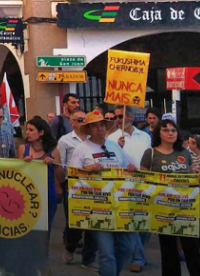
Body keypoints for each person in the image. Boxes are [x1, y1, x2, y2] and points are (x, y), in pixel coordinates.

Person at [68, 110, 138, 276]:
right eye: (94, 126)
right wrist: (87, 169)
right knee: (106, 253)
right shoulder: (81, 149)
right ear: (89, 129)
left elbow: (127, 167)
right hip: (97, 207)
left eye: (101, 125)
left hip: (120, 205)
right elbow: (71, 175)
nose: (99, 129)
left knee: (127, 248)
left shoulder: (114, 146)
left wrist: (130, 168)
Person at [139, 119, 200, 276]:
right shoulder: (151, 153)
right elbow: (142, 180)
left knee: (192, 250)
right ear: (158, 133)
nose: (170, 133)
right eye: (166, 130)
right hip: (163, 210)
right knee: (169, 252)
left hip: (186, 209)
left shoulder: (184, 153)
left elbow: (191, 175)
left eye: (173, 130)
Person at [107, 107, 152, 273]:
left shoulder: (145, 136)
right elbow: (110, 160)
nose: (118, 119)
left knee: (145, 222)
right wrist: (117, 147)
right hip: (124, 184)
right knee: (132, 221)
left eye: (121, 116)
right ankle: (138, 257)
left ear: (131, 117)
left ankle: (138, 252)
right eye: (117, 117)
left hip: (144, 182)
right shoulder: (111, 138)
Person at [57, 110, 98, 270]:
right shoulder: (64, 140)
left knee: (93, 223)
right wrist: (61, 184)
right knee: (75, 223)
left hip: (94, 186)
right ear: (72, 122)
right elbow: (60, 165)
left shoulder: (95, 141)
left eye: (85, 119)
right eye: (79, 119)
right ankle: (70, 246)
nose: (83, 122)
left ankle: (88, 258)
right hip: (73, 185)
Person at [17, 116, 63, 229]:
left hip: (47, 195)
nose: (27, 132)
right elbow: (16, 174)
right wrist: (24, 163)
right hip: (27, 196)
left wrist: (55, 165)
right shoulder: (23, 149)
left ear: (41, 132)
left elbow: (62, 177)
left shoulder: (53, 151)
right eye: (27, 129)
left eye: (31, 130)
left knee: (45, 230)